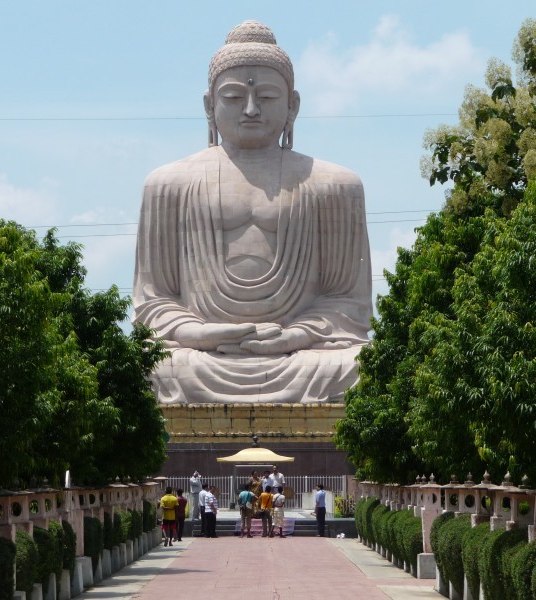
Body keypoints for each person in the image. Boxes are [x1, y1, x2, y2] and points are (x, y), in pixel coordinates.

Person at [132, 19, 372, 404]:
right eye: (231, 97)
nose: (250, 109)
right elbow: (153, 301)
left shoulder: (335, 185)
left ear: (292, 105)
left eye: (268, 98)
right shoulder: (166, 184)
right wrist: (202, 334)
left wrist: (295, 335)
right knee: (145, 369)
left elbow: (347, 302)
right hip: (201, 356)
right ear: (209, 105)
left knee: (363, 365)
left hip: (302, 356)